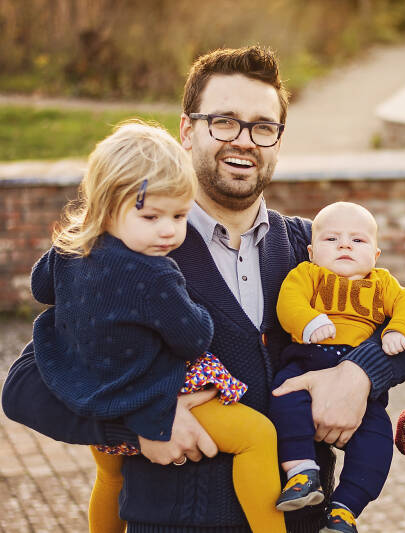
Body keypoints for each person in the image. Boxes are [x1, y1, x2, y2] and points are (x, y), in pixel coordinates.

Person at [2, 46, 405, 533]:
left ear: (277, 139)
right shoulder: (131, 251)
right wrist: (139, 427)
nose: (244, 140)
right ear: (187, 131)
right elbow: (22, 387)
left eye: (262, 127)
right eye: (224, 121)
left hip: (300, 521)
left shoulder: (308, 245)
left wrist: (357, 375)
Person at [30, 121, 286, 533]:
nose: (168, 230)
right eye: (150, 215)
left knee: (111, 477)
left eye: (180, 215)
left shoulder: (69, 251)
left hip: (91, 389)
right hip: (155, 390)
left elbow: (41, 287)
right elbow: (193, 337)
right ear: (105, 206)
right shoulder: (155, 274)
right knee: (257, 436)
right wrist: (198, 309)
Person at [270, 201, 405, 533]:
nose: (344, 245)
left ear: (375, 255)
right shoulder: (308, 274)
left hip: (359, 384)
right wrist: (309, 321)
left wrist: (399, 330)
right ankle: (301, 472)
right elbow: (289, 300)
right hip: (305, 364)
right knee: (285, 397)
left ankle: (345, 508)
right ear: (311, 252)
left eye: (358, 240)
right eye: (331, 240)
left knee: (379, 438)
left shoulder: (382, 284)